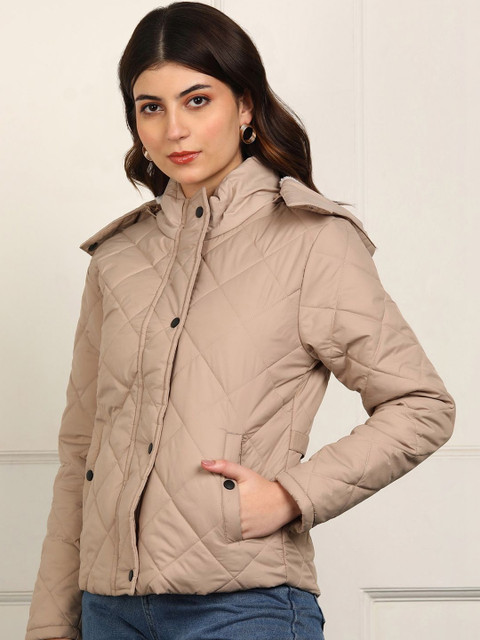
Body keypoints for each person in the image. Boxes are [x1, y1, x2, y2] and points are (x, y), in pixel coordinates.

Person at [25, 3, 456, 640]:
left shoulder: (312, 241)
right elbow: (81, 453)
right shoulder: (118, 259)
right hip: (106, 610)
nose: (175, 129)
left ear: (245, 106)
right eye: (151, 107)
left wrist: (290, 496)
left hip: (242, 609)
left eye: (197, 100)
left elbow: (421, 406)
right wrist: (51, 624)